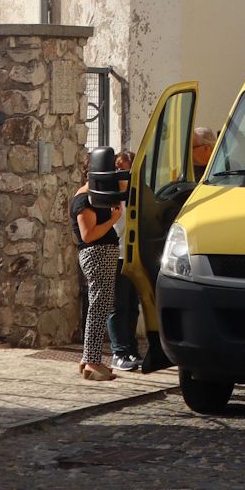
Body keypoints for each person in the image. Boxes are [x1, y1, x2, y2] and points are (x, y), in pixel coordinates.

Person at [70, 161, 122, 381]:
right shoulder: (84, 199)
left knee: (100, 305)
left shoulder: (95, 197)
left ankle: (88, 359)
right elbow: (88, 235)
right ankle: (92, 362)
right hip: (96, 254)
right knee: (98, 308)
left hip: (103, 254)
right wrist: (113, 220)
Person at [107, 150, 142, 372]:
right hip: (117, 257)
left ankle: (131, 349)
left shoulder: (138, 197)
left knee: (132, 307)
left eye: (128, 170)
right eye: (120, 169)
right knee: (118, 306)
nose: (123, 174)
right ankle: (118, 351)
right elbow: (115, 229)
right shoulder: (110, 199)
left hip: (134, 258)